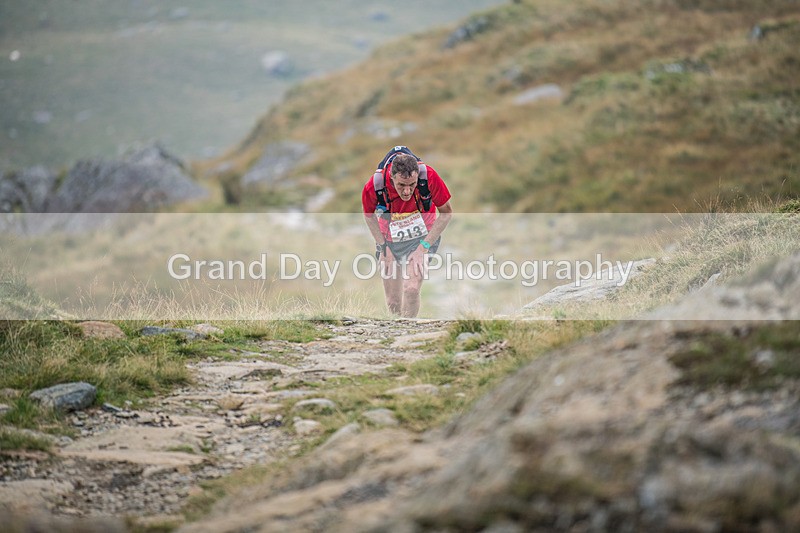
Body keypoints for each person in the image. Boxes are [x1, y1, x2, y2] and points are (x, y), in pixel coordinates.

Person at [362, 149, 453, 317]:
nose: (406, 191)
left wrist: (423, 248)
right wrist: (383, 248)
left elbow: (446, 212)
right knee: (393, 302)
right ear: (391, 178)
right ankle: (396, 335)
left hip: (422, 237)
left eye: (412, 185)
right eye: (401, 185)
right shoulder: (375, 184)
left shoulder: (429, 177)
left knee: (411, 289)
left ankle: (407, 335)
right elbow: (369, 216)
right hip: (388, 240)